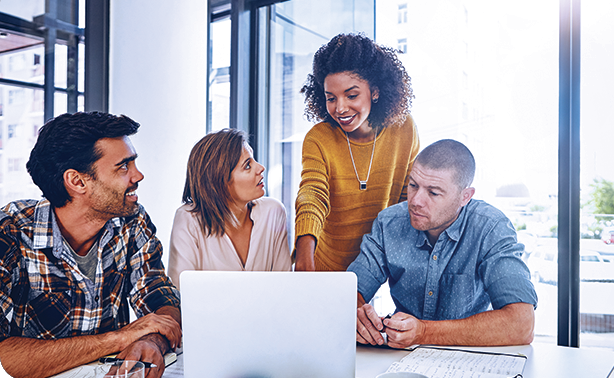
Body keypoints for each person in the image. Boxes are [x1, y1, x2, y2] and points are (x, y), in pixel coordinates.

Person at [0, 112, 181, 378]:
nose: (138, 175)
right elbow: (5, 357)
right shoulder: (10, 232)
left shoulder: (132, 220)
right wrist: (120, 339)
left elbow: (160, 298)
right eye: (123, 166)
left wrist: (151, 341)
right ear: (77, 181)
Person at [348, 139, 538, 348]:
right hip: (400, 358)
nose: (415, 201)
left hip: (468, 358)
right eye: (413, 185)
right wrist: (357, 315)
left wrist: (423, 332)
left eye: (433, 192)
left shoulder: (490, 228)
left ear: (465, 196)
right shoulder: (389, 223)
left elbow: (522, 324)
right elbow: (348, 290)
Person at [294, 32, 420, 272]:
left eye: (351, 95)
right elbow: (312, 195)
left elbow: (407, 199)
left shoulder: (404, 129)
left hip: (373, 267)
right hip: (322, 265)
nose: (340, 108)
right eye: (331, 98)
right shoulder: (319, 138)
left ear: (375, 91)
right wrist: (303, 257)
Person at [168, 128, 291, 289]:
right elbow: (181, 295)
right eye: (248, 166)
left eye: (253, 160)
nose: (260, 168)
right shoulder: (188, 220)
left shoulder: (273, 212)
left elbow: (284, 287)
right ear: (219, 182)